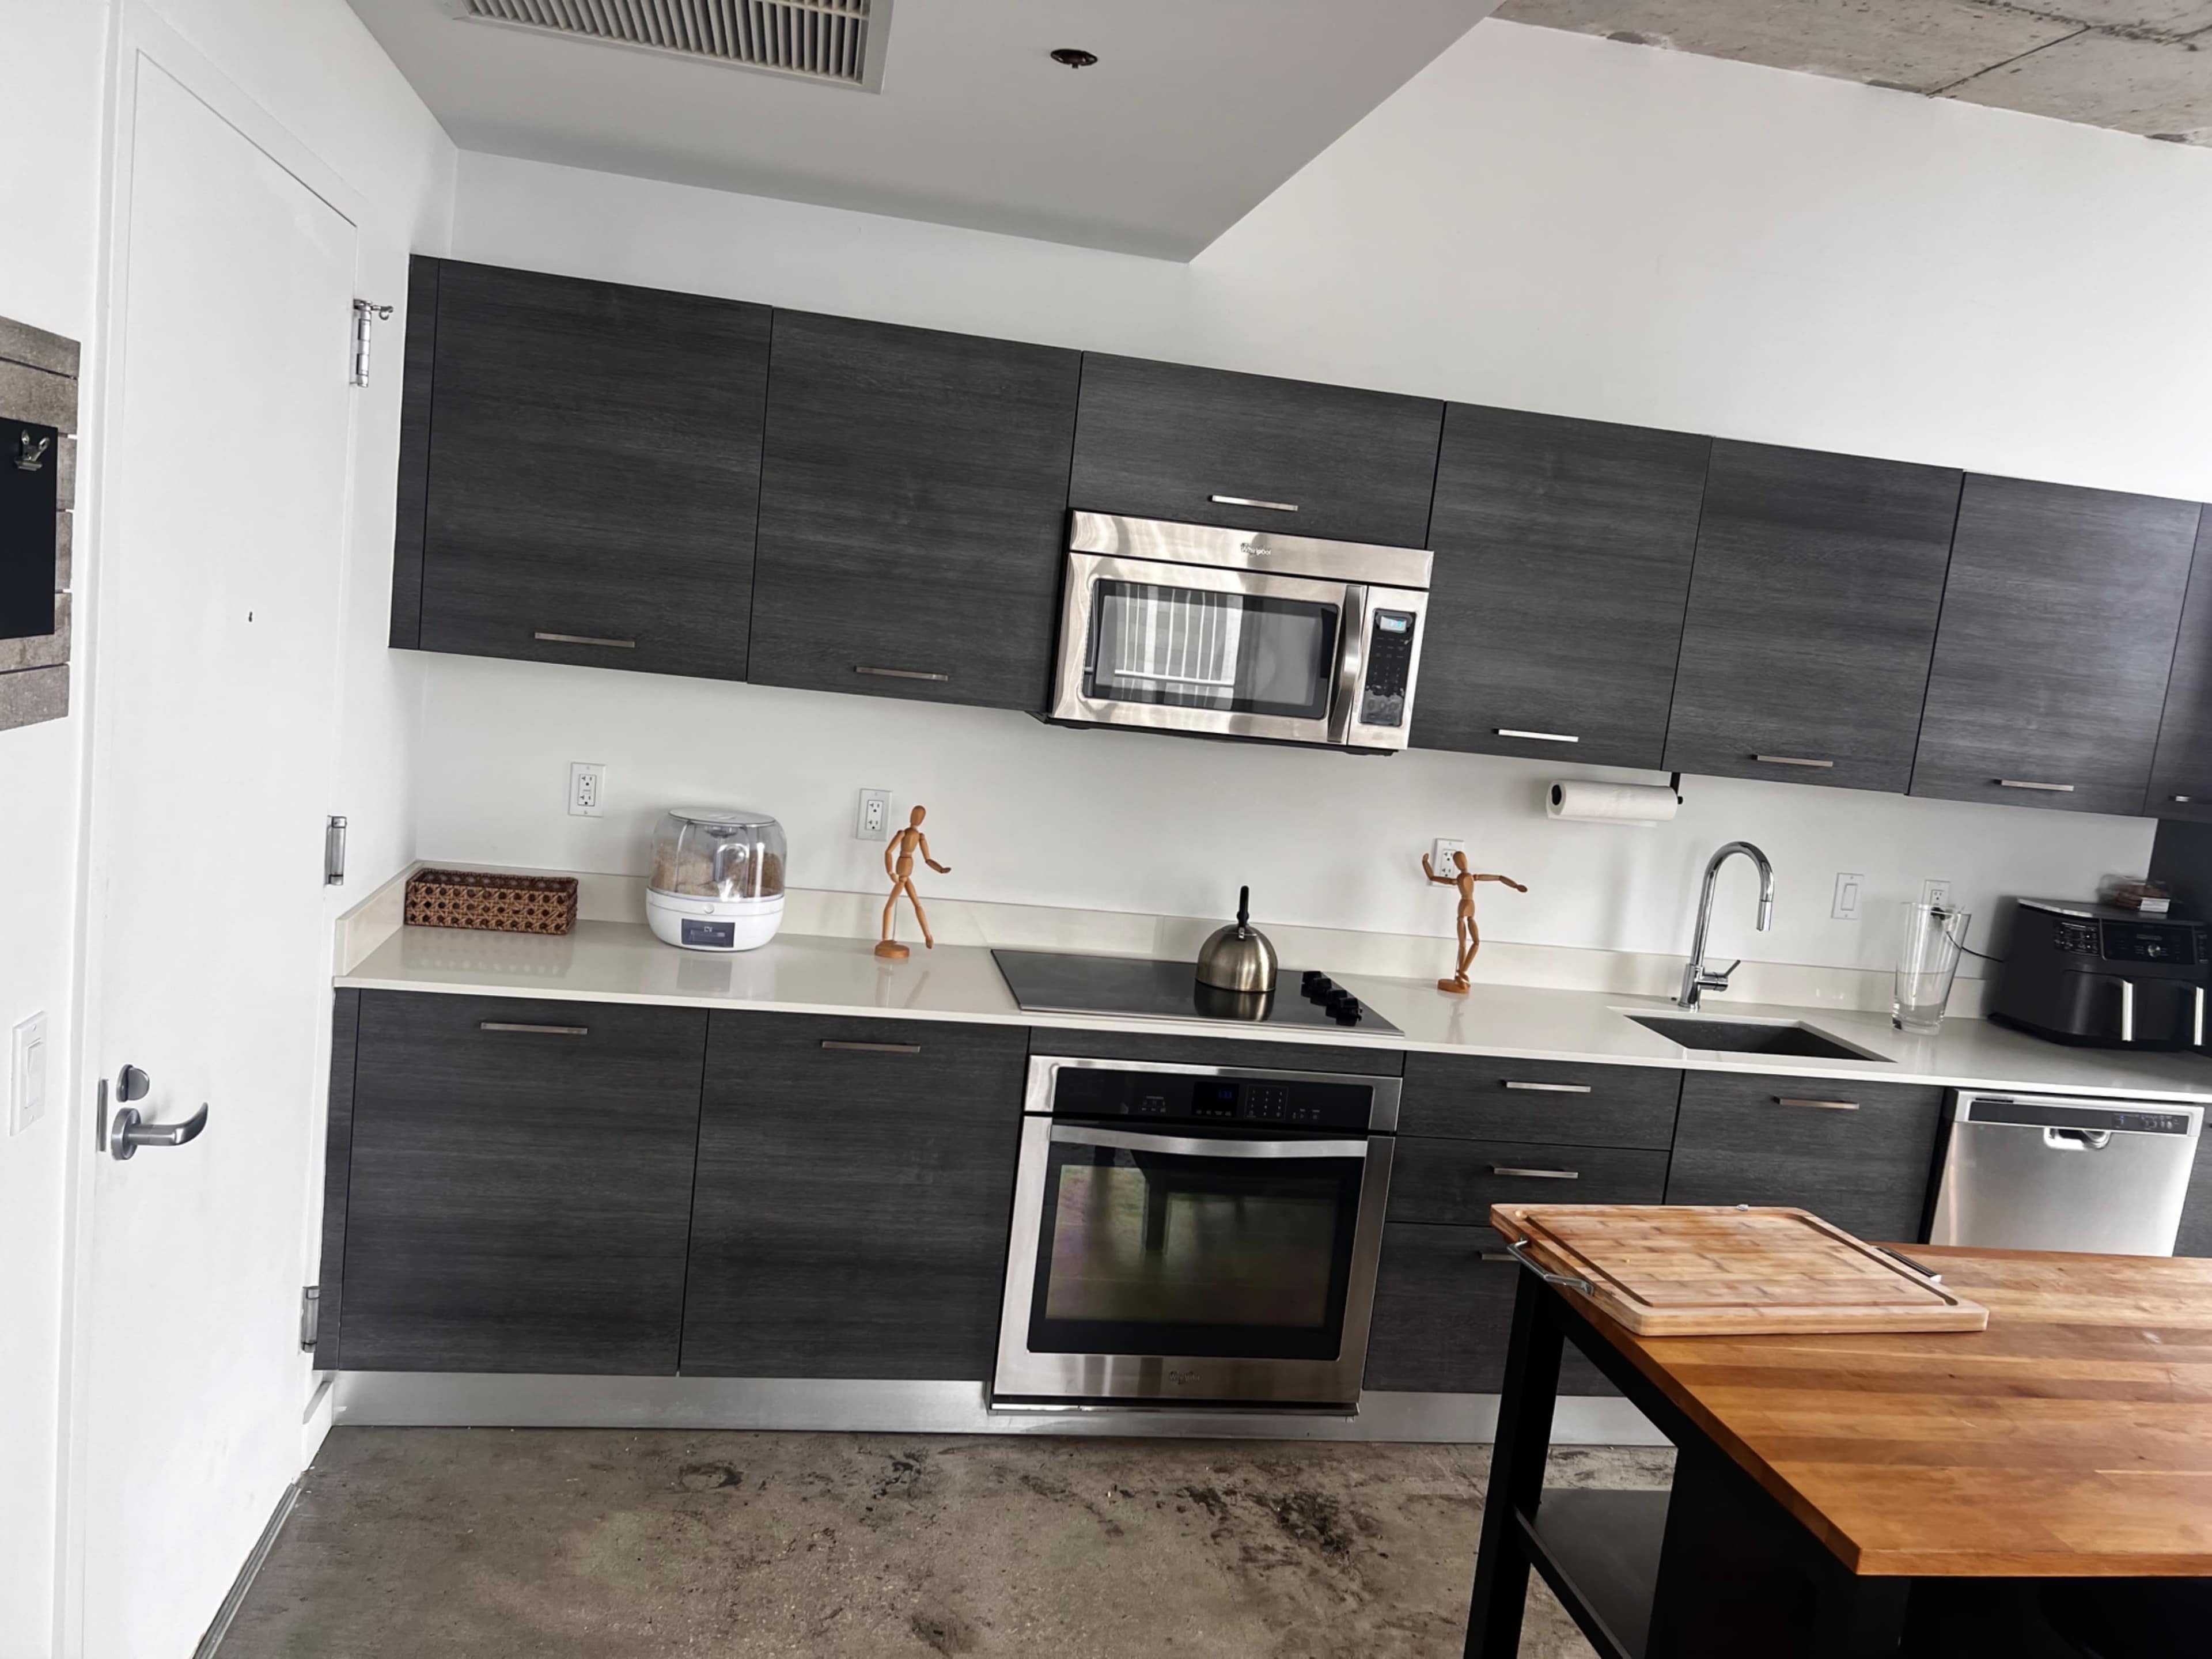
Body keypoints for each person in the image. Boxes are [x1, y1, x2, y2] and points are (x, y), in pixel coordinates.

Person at [1420, 849, 1526, 993]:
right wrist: (1425, 863)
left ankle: (1462, 972)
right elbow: (1432, 877)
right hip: (1465, 906)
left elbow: (1499, 878)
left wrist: (1515, 885)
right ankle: (1461, 974)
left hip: (1470, 906)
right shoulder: (1463, 878)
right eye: (1460, 861)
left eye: (1463, 860)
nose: (1462, 863)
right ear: (1457, 864)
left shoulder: (1470, 877)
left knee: (1475, 942)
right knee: (1464, 943)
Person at [878, 805, 951, 958]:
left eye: (920, 817)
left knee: (910, 905)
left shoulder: (920, 836)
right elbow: (889, 852)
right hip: (901, 874)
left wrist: (940, 869)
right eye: (916, 815)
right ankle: (886, 939)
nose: (917, 819)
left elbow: (928, 859)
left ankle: (927, 936)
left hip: (906, 874)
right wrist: (891, 872)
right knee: (896, 905)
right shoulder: (904, 833)